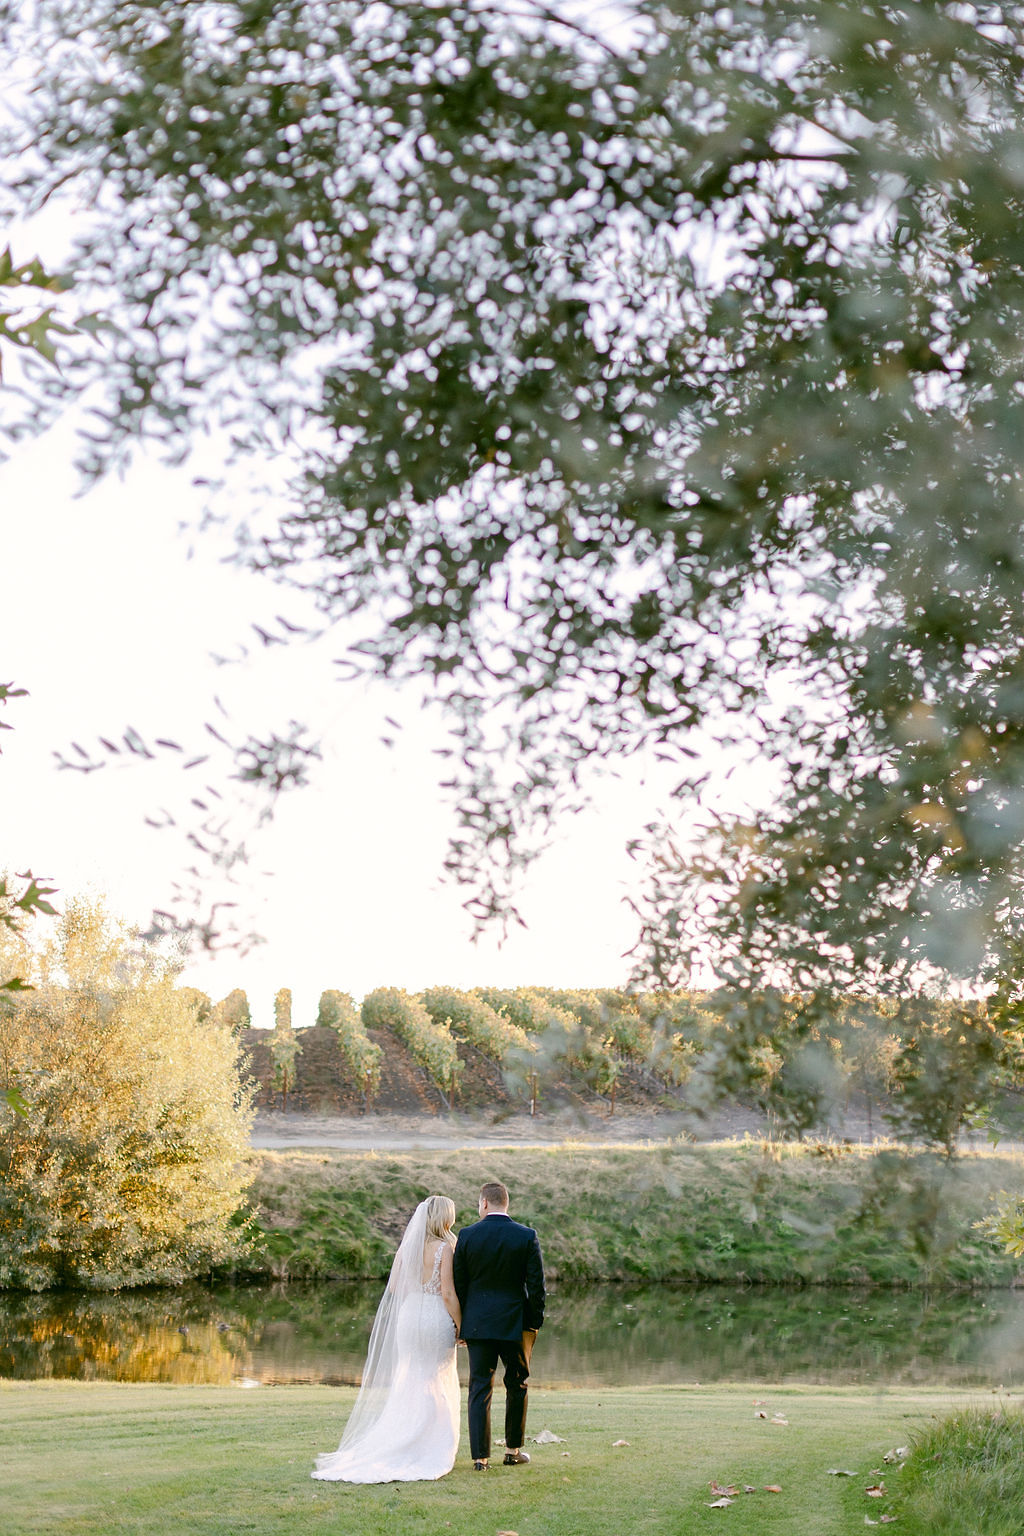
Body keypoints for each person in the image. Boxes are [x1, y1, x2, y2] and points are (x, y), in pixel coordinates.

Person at [311, 1194, 461, 1483]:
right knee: (434, 1379)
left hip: (408, 1317)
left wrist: (414, 1305)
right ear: (445, 1218)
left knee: (413, 1378)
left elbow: (394, 1289)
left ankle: (403, 1435)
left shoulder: (407, 1249)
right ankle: (427, 1445)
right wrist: (461, 1324)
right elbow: (448, 1293)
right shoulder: (445, 1248)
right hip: (435, 1318)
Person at [453, 1179, 546, 1472]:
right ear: (506, 1203)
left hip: (478, 1323)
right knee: (517, 1384)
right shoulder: (526, 1235)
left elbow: (460, 1284)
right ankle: (512, 1450)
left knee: (479, 1386)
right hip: (516, 1323)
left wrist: (464, 1325)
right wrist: (534, 1323)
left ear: (483, 1203)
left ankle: (480, 1459)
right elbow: (536, 1286)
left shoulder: (467, 1236)